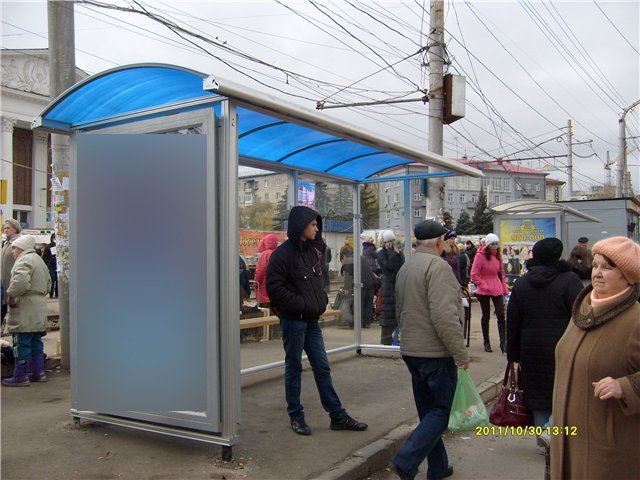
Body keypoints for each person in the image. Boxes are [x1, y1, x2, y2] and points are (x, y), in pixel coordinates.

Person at [266, 206, 367, 436]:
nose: (316, 229)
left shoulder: (312, 251)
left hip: (311, 322)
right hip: (294, 321)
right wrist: (302, 304)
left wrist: (316, 302)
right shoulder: (282, 255)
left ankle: (337, 416)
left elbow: (317, 281)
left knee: (322, 367)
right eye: (312, 225)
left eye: (316, 225)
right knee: (294, 368)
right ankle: (296, 416)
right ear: (300, 226)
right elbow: (275, 288)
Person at [551, 236, 640, 479]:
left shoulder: (635, 321)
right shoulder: (582, 310)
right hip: (566, 439)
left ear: (627, 277)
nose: (597, 273)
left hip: (607, 451)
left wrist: (625, 386)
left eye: (607, 268)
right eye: (596, 265)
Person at [390, 220, 470, 480]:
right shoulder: (438, 267)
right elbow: (444, 316)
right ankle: (406, 459)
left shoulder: (407, 266)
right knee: (442, 411)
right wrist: (460, 353)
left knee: (429, 412)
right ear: (438, 241)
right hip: (435, 352)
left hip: (412, 350)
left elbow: (399, 309)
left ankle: (438, 467)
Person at [506, 238, 583, 437]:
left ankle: (543, 438)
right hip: (563, 346)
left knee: (537, 395)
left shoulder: (522, 283)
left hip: (530, 347)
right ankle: (555, 438)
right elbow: (581, 315)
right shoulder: (569, 280)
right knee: (563, 392)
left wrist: (513, 354)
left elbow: (512, 321)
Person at [2, 236, 52, 386]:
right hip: (39, 305)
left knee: (21, 341)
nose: (13, 252)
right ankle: (38, 372)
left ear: (22, 248)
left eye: (15, 249)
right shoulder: (38, 260)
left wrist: (11, 295)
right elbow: (49, 283)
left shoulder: (24, 260)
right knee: (36, 341)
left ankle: (20, 376)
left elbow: (20, 282)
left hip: (25, 305)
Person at [470, 233, 509, 353]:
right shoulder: (480, 256)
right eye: (492, 244)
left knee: (501, 314)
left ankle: (503, 342)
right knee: (486, 315)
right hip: (484, 288)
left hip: (496, 285)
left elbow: (501, 273)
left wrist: (504, 288)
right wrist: (484, 285)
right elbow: (474, 274)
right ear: (487, 245)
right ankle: (486, 341)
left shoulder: (497, 255)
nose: (495, 246)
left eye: (496, 244)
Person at [377, 230, 404, 345]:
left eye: (392, 241)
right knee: (388, 312)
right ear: (384, 242)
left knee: (396, 311)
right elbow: (389, 266)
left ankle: (395, 339)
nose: (391, 243)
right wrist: (392, 253)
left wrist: (399, 254)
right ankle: (385, 341)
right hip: (388, 286)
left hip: (396, 283)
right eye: (389, 241)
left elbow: (401, 264)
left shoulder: (395, 252)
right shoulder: (381, 253)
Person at [1, 219, 22, 328]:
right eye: (4, 228)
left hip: (12, 282)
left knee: (12, 310)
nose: (5, 230)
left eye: (8, 228)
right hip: (3, 282)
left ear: (16, 229)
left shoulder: (19, 243)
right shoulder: (6, 243)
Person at [253, 233, 279, 307]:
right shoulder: (279, 253)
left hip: (265, 290)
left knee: (265, 310)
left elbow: (260, 271)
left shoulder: (265, 254)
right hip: (277, 291)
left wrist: (256, 284)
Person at [41, 233, 58, 298]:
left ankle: (57, 293)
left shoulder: (59, 246)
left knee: (57, 279)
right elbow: (45, 256)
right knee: (52, 278)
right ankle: (51, 293)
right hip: (50, 264)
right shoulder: (48, 246)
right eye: (54, 238)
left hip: (57, 264)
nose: (55, 239)